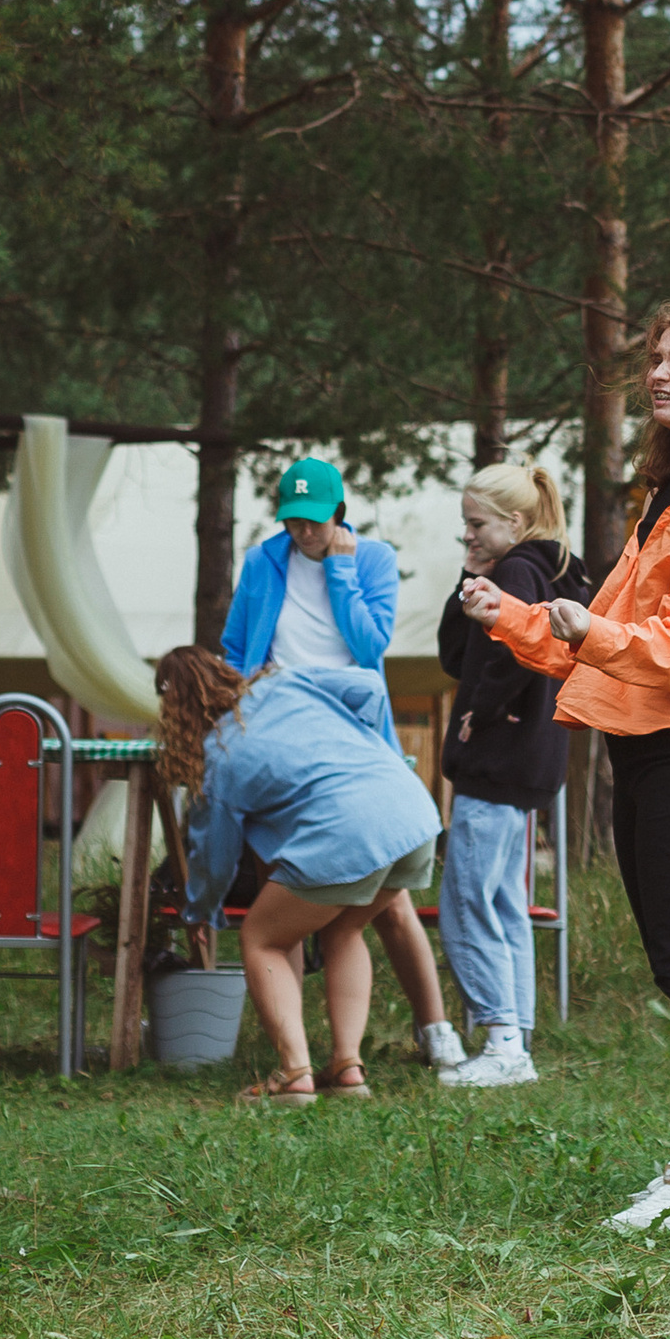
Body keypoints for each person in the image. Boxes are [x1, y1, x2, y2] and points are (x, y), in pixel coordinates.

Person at [462, 297, 670, 1239]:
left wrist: (594, 628)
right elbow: (599, 640)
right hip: (645, 753)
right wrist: (517, 619)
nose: (661, 372)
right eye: (656, 357)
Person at [219, 456, 466, 1072]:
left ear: (338, 513)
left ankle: (435, 1032)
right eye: (292, 521)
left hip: (356, 735)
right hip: (283, 731)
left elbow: (368, 645)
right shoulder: (262, 560)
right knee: (288, 881)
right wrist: (243, 696)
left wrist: (340, 570)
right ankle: (295, 1048)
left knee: (389, 901)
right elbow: (236, 645)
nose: (302, 532)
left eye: (314, 521)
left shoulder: (371, 559)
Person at [157, 644, 443, 1102]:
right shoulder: (284, 682)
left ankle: (294, 1073)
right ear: (223, 672)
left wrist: (199, 911)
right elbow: (370, 686)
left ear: (175, 709)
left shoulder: (219, 756)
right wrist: (355, 739)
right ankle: (348, 1067)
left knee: (262, 938)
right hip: (410, 813)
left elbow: (214, 857)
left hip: (349, 832)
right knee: (345, 930)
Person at [433, 459, 571, 1090]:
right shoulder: (545, 567)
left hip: (495, 760)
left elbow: (507, 657)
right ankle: (517, 1038)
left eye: (476, 523)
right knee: (506, 902)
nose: (467, 534)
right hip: (528, 762)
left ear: (514, 522)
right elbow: (456, 651)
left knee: (468, 902)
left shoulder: (516, 570)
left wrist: (479, 715)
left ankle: (502, 1042)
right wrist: (469, 574)